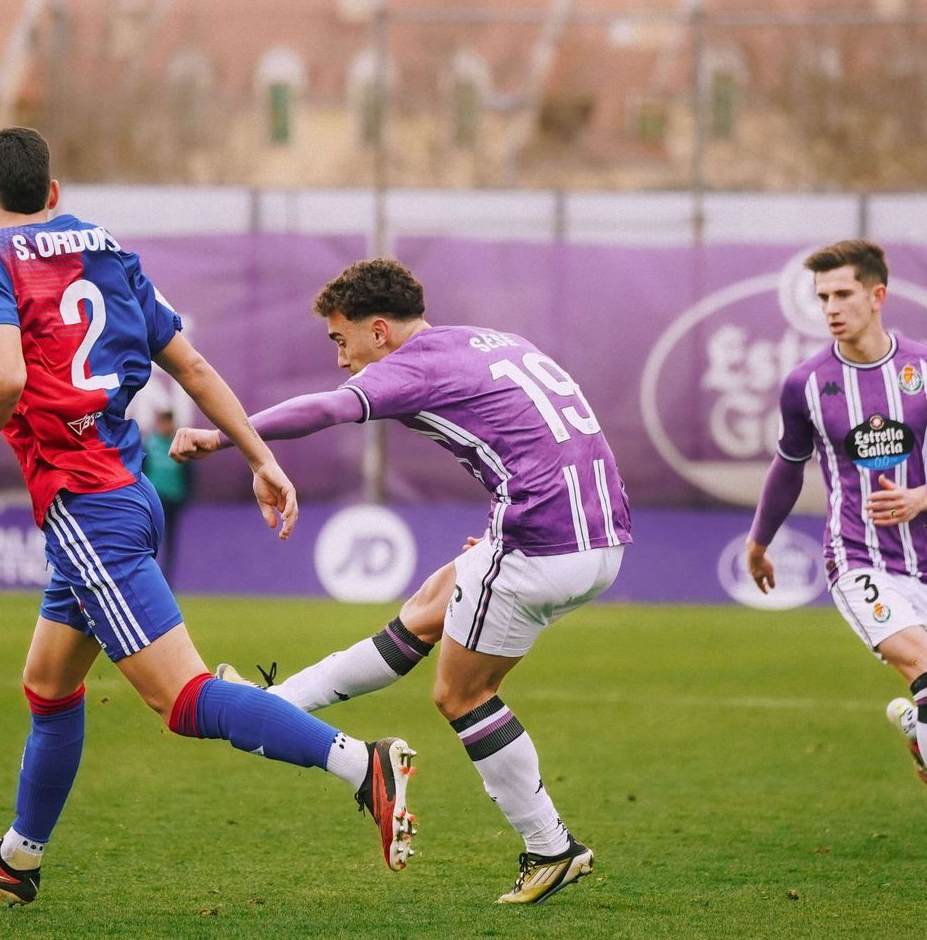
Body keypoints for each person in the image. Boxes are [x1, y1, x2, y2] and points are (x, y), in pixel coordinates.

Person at [0, 128, 417, 907]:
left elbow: (4, 377)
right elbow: (190, 364)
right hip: (125, 495)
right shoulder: (109, 250)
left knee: (183, 700)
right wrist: (260, 456)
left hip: (89, 507)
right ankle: (20, 855)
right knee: (48, 686)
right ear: (53, 195)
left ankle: (365, 765)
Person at [172, 258, 630, 905]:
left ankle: (551, 847)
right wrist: (508, 522)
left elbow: (327, 409)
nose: (341, 358)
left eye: (341, 340)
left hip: (544, 545)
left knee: (462, 696)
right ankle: (271, 708)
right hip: (597, 535)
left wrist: (228, 439)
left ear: (379, 330)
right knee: (426, 609)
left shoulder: (413, 366)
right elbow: (546, 440)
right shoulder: (487, 341)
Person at [744, 239, 927, 864]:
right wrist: (759, 541)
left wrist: (922, 496)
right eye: (822, 298)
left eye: (842, 295)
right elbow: (788, 466)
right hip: (855, 561)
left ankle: (921, 731)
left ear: (876, 295)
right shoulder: (807, 384)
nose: (830, 308)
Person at [140, 410, 193, 575]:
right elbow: (141, 470)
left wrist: (185, 497)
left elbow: (189, 473)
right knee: (148, 538)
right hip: (154, 499)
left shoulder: (178, 444)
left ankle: (167, 576)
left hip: (173, 499)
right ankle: (147, 574)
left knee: (170, 540)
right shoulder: (150, 444)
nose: (165, 426)